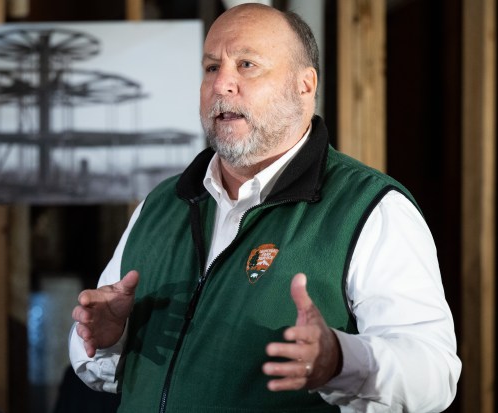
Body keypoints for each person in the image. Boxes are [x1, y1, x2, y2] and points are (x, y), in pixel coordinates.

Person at [69, 3, 461, 412]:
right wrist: (109, 337)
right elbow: (92, 364)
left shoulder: (372, 209)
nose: (222, 84)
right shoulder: (161, 203)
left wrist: (341, 360)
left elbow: (434, 376)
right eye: (210, 68)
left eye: (247, 65)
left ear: (304, 85)